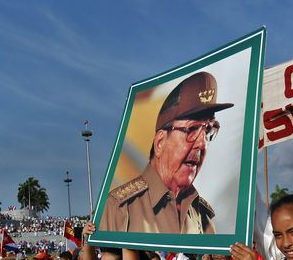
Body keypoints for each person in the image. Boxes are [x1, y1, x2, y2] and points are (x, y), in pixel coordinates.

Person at [99, 71, 234, 234]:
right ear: (160, 142)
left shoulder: (202, 217)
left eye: (208, 131)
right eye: (191, 130)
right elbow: (107, 258)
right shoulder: (120, 208)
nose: (202, 143)